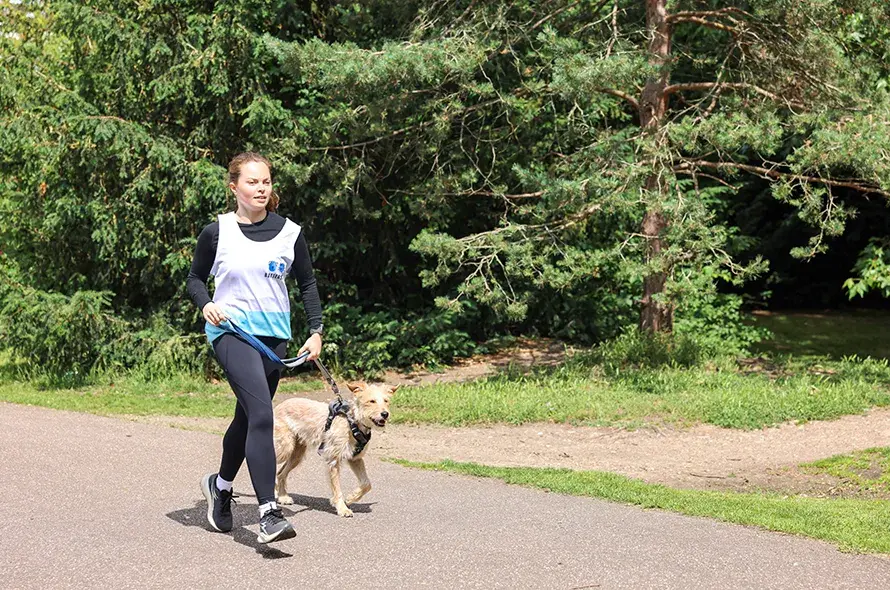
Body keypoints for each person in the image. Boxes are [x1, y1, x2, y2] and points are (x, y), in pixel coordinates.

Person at [187, 152, 323, 543]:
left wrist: (315, 331)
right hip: (230, 332)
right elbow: (195, 279)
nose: (261, 188)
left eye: (265, 182)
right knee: (263, 414)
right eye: (252, 182)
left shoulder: (290, 233)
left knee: (247, 419)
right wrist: (206, 303)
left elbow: (307, 285)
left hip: (274, 339)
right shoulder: (217, 232)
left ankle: (222, 486)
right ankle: (269, 513)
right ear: (234, 187)